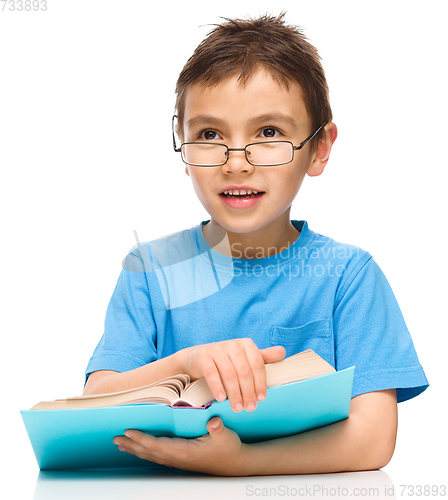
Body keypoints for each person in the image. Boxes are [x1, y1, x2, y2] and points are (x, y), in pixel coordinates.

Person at [83, 13, 428, 476]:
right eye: (209, 135)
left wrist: (242, 461)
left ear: (319, 148)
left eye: (269, 133)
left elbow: (373, 439)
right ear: (183, 145)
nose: (236, 163)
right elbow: (92, 403)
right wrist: (187, 363)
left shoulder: (348, 275)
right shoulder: (151, 268)